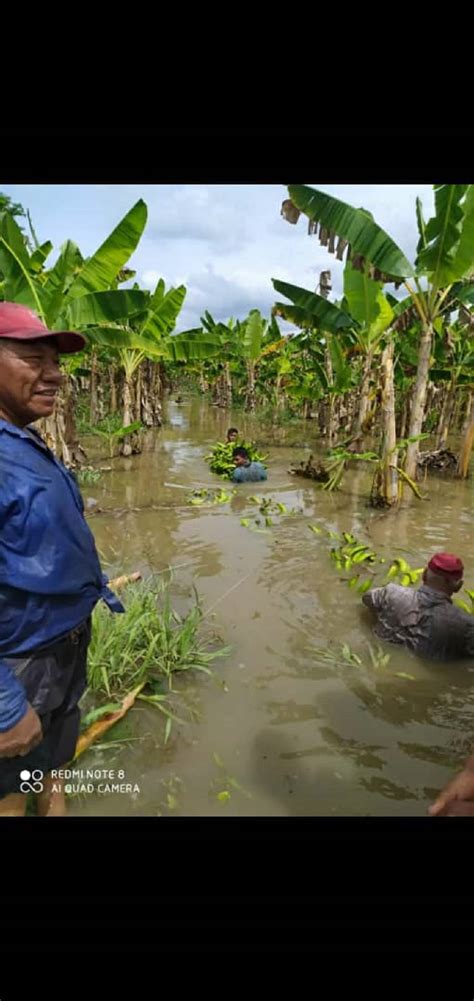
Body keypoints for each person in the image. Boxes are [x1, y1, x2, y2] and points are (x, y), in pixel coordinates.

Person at [0, 302, 125, 817]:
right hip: (21, 659)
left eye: (56, 361)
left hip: (61, 649)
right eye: (34, 358)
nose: (55, 375)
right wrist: (6, 709)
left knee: (51, 760)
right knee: (9, 789)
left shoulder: (22, 439)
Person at [361, 552, 474, 661]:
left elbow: (366, 598)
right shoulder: (467, 626)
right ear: (458, 586)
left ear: (424, 574)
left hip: (375, 656)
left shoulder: (391, 593)